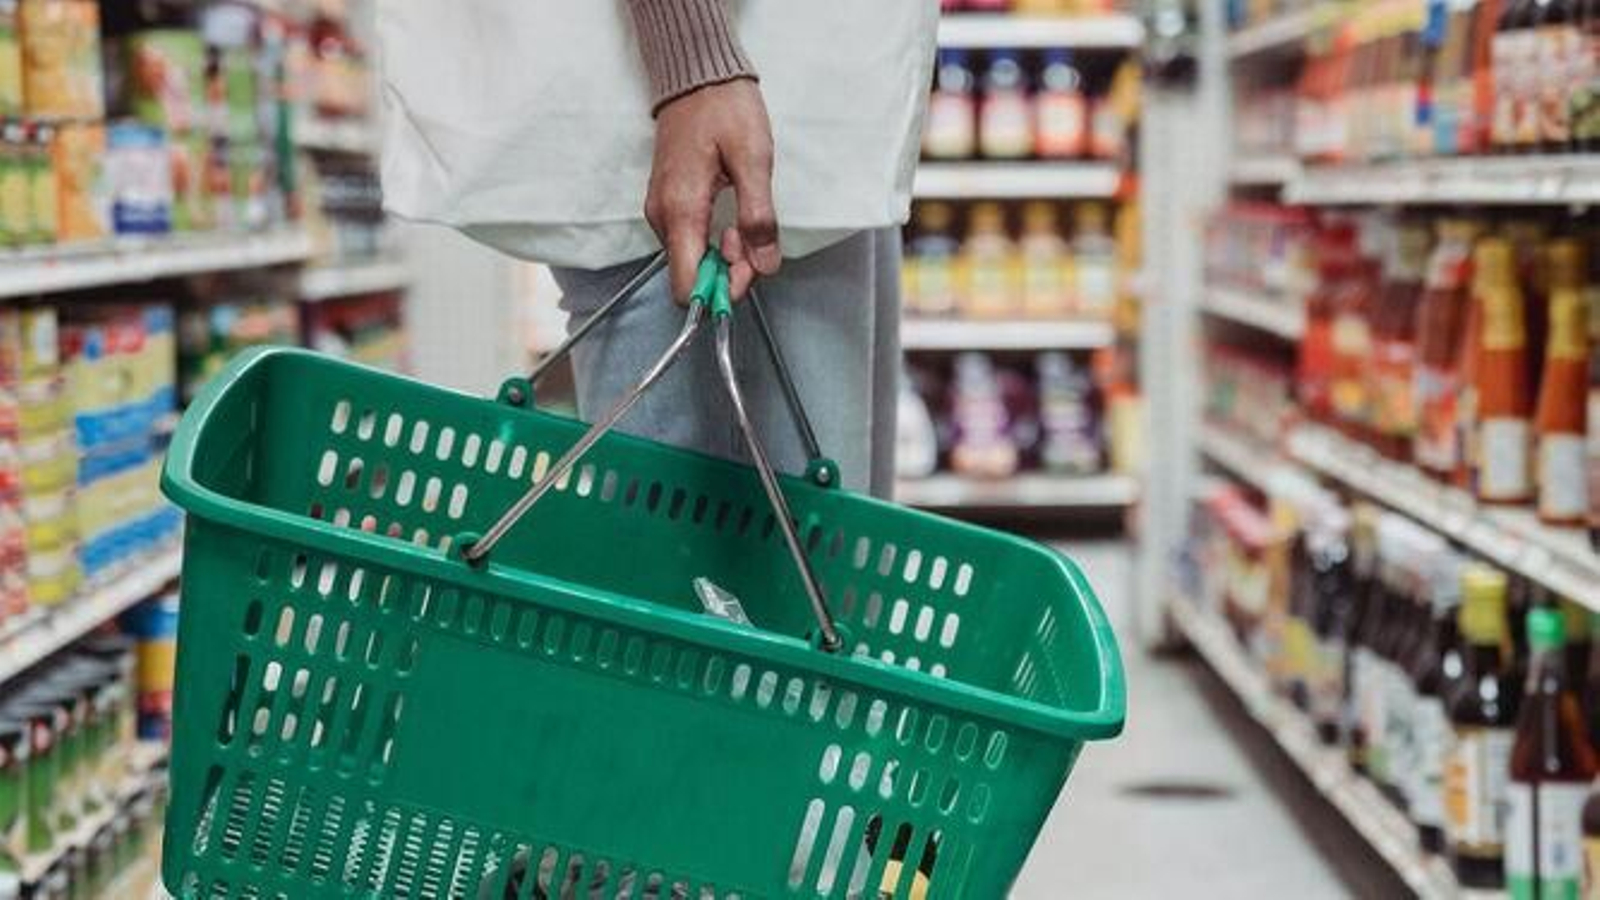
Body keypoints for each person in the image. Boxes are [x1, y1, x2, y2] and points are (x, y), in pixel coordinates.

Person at [379, 1, 940, 497]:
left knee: (829, 570)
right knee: (743, 585)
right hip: (714, 112)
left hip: (806, 116)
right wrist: (694, 63)